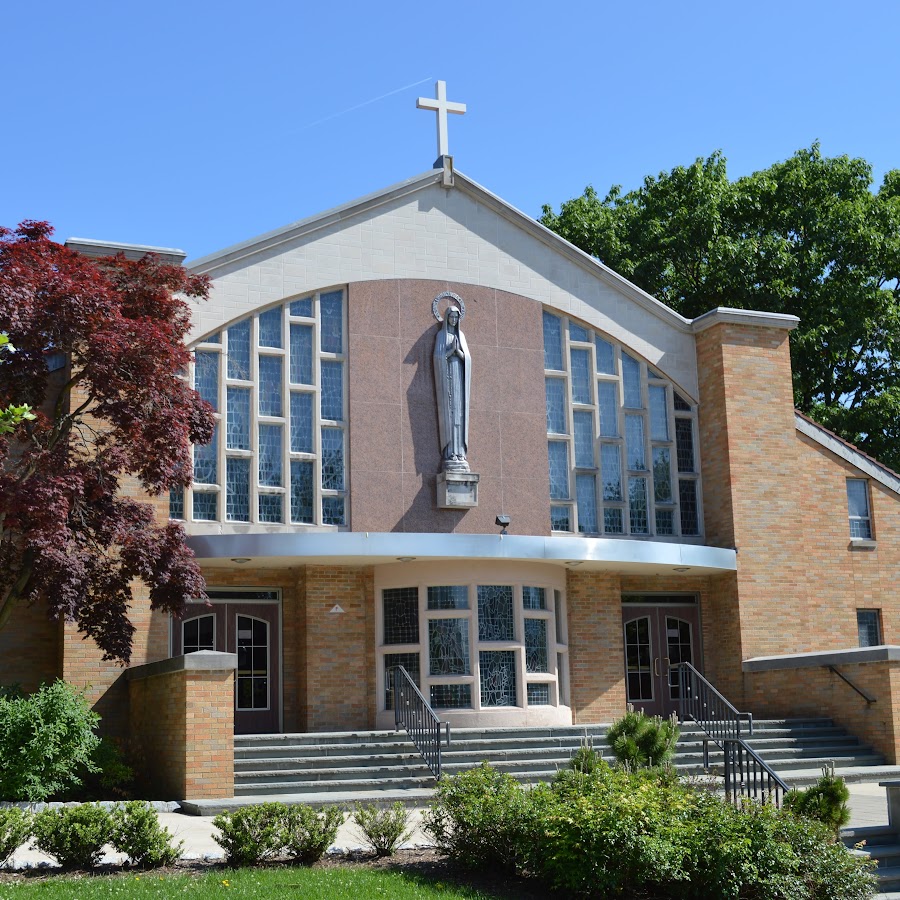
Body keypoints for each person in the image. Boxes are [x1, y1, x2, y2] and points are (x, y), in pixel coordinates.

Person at [433, 303, 471, 472]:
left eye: (456, 317)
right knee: (450, 415)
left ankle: (460, 452)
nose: (454, 320)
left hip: (459, 380)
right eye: (452, 317)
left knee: (459, 417)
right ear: (447, 317)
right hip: (447, 379)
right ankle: (450, 452)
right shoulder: (442, 336)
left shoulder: (460, 335)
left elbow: (467, 359)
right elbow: (437, 357)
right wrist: (450, 352)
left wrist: (458, 352)